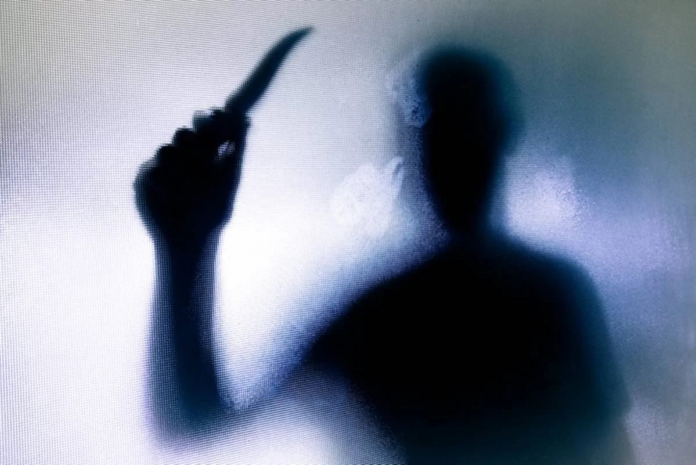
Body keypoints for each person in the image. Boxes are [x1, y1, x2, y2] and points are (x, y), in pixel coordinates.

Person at [135, 42, 634, 463]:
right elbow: (197, 420)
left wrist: (187, 248)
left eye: (462, 130)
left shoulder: (385, 317)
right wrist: (186, 247)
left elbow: (198, 418)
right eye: (440, 133)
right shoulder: (547, 297)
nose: (452, 153)